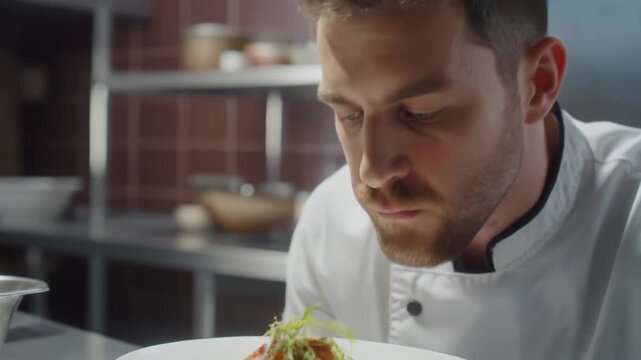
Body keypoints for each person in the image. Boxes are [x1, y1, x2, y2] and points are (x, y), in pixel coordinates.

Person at [282, 1, 641, 359]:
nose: (372, 172)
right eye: (348, 115)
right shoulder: (329, 228)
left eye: (422, 115)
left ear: (538, 82)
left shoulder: (632, 212)